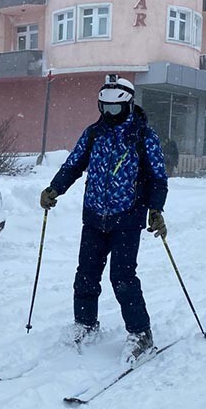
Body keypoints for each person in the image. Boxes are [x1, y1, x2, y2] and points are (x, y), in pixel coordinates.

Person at [40, 75, 169, 365]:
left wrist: (156, 209)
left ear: (128, 106)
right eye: (104, 108)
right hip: (94, 217)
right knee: (85, 274)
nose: (108, 115)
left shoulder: (143, 136)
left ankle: (141, 334)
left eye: (115, 110)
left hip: (127, 218)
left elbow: (158, 178)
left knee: (122, 278)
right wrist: (54, 188)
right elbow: (73, 164)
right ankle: (86, 323)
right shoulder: (94, 133)